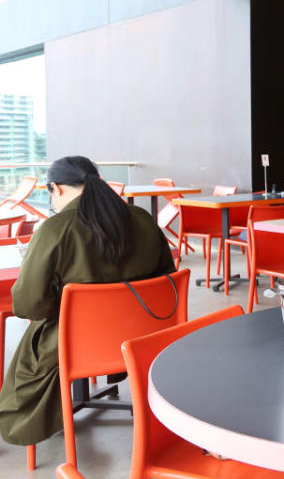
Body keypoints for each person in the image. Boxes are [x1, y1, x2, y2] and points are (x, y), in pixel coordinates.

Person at [0, 156, 176, 446]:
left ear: (55, 188)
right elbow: (166, 278)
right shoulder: (142, 219)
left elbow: (28, 305)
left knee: (37, 341)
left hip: (76, 343)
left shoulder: (56, 229)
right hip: (140, 336)